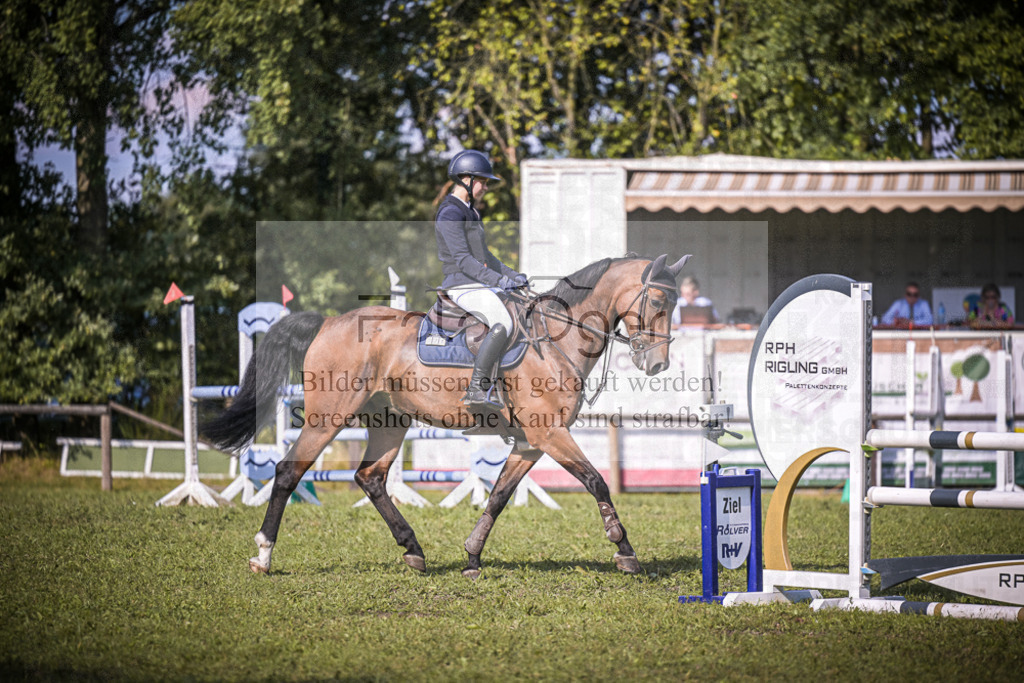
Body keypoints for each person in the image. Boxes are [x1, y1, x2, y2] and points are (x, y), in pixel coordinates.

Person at [434, 150, 528, 408]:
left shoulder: (471, 212)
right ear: (466, 179)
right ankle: (476, 389)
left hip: (477, 283)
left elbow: (485, 255)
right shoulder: (450, 213)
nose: (486, 187)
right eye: (483, 182)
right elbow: (464, 260)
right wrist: (499, 281)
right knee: (503, 322)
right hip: (461, 284)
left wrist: (511, 275)